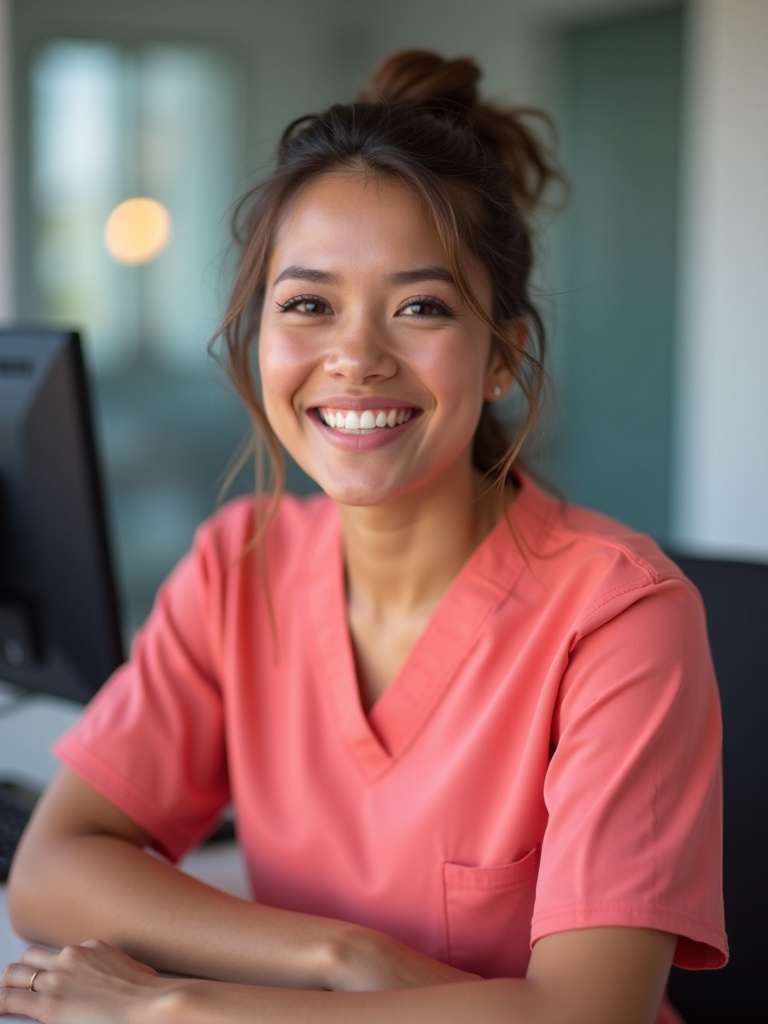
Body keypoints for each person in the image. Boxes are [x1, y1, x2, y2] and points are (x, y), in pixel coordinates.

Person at [1, 49, 726, 1024]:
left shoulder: (620, 617)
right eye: (308, 305)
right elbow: (50, 868)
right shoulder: (235, 568)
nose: (355, 356)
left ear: (504, 353)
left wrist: (175, 1010)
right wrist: (343, 954)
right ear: (259, 337)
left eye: (420, 307)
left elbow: (586, 1016)